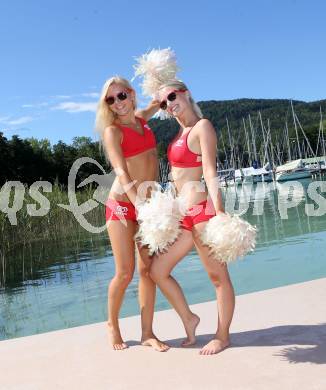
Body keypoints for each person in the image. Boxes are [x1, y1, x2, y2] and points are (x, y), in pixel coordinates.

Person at [149, 80, 235, 355]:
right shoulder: (181, 132)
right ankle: (190, 318)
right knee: (158, 271)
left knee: (218, 277)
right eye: (164, 103)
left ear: (185, 93)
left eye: (172, 96)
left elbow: (210, 171)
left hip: (202, 213)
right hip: (183, 216)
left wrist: (219, 211)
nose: (169, 104)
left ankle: (222, 335)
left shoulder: (202, 127)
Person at [95, 76, 169, 352]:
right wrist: (138, 203)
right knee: (125, 273)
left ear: (130, 94)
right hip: (123, 204)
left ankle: (147, 332)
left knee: (148, 271)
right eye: (110, 99)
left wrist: (162, 82)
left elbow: (155, 103)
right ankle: (112, 324)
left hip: (147, 204)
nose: (117, 103)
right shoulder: (112, 132)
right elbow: (121, 172)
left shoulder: (142, 119)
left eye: (121, 96)